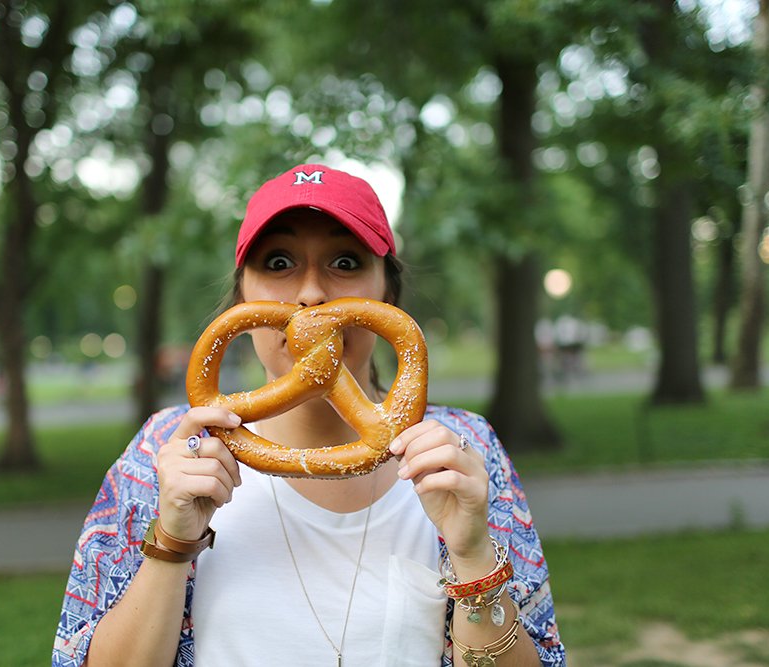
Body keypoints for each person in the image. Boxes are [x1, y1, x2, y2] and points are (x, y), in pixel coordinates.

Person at [53, 164, 566, 666]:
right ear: (242, 300)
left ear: (387, 294)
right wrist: (173, 539)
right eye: (278, 263)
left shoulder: (462, 450)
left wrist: (473, 554)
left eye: (345, 262)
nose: (311, 294)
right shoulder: (165, 451)